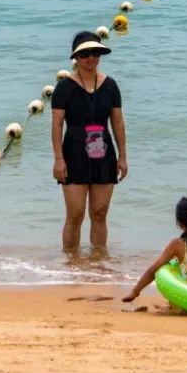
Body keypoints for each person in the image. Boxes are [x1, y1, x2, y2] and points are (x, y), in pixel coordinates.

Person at [51, 31, 128, 250]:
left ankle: (98, 261)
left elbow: (118, 122)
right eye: (85, 54)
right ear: (76, 57)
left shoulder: (110, 85)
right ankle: (71, 260)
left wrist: (122, 156)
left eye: (95, 53)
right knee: (75, 214)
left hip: (104, 152)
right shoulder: (64, 88)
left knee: (99, 213)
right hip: (74, 153)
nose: (91, 58)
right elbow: (57, 125)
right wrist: (59, 159)